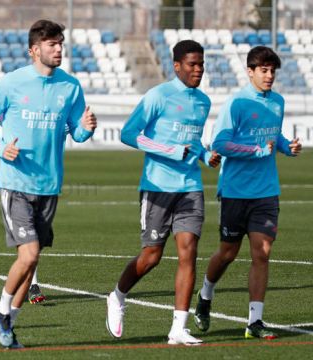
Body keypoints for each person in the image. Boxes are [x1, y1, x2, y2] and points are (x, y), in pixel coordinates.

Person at [0, 19, 97, 348]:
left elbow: (78, 132)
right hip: (15, 183)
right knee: (28, 256)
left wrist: (88, 127)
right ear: (34, 50)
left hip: (49, 187)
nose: (59, 49)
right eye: (51, 44)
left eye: (61, 43)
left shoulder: (71, 86)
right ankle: (2, 312)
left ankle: (9, 326)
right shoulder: (12, 83)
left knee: (31, 263)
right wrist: (1, 148)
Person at [105, 40, 221, 346]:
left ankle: (178, 328)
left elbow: (193, 142)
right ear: (177, 66)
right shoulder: (158, 95)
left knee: (189, 252)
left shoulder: (203, 102)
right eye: (192, 64)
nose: (198, 70)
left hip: (190, 188)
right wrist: (170, 150)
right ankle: (117, 296)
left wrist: (204, 155)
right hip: (157, 187)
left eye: (202, 64)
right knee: (151, 257)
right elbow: (129, 134)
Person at [193, 46, 301, 340]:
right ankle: (205, 293)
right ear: (250, 71)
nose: (269, 76)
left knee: (262, 253)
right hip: (235, 191)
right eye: (263, 70)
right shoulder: (236, 103)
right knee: (227, 253)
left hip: (266, 191)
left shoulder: (277, 101)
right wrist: (255, 151)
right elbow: (221, 144)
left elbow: (273, 135)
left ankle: (255, 322)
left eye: (272, 71)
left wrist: (286, 146)